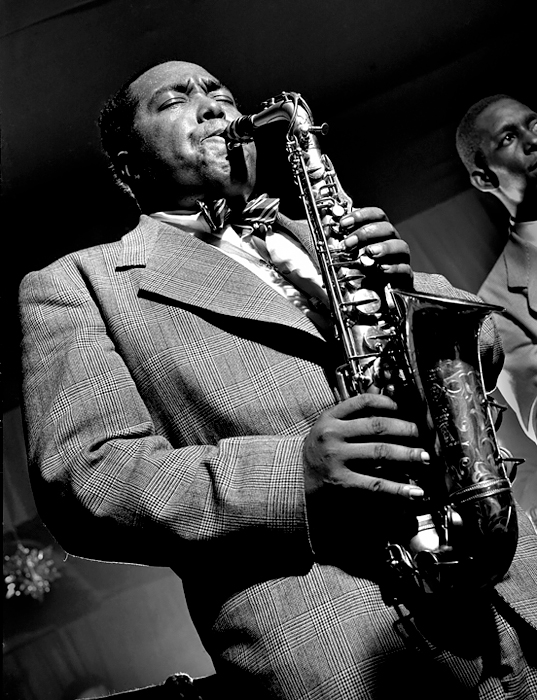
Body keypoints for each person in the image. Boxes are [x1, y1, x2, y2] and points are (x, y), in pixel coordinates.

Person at [20, 62, 537, 699]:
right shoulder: (79, 285)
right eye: (175, 100)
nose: (212, 106)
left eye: (220, 93)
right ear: (129, 168)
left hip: (512, 598)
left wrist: (407, 294)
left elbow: (478, 354)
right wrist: (296, 473)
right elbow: (85, 481)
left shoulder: (335, 238)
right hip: (343, 648)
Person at [456, 95, 537, 450]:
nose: (533, 140)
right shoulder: (496, 307)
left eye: (534, 125)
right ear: (485, 179)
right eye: (508, 138)